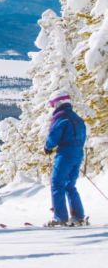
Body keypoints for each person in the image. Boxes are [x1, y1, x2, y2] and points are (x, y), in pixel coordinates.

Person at [44, 92, 87, 227]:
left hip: (65, 154)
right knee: (70, 185)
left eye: (53, 104)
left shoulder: (61, 118)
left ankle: (60, 217)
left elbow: (54, 135)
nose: (53, 107)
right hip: (78, 154)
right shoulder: (77, 118)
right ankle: (78, 216)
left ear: (58, 103)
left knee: (57, 183)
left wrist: (48, 147)